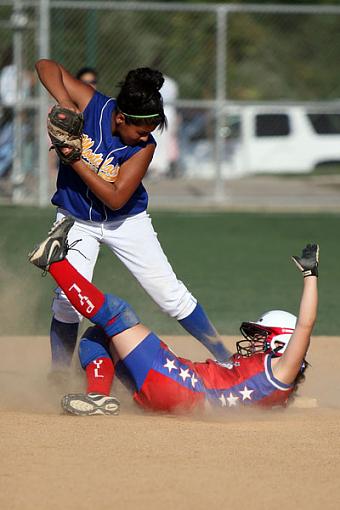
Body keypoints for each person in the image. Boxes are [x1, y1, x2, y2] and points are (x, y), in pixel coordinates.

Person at [35, 59, 230, 377]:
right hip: (75, 219)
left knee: (170, 295)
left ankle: (225, 358)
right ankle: (58, 375)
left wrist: (73, 157)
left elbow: (114, 196)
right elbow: (46, 66)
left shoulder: (144, 148)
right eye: (141, 131)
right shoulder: (93, 105)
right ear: (121, 117)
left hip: (125, 221)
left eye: (150, 132)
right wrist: (67, 103)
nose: (145, 137)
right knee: (67, 301)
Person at [28, 217, 319, 416]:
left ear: (283, 342)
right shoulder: (274, 388)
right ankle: (98, 397)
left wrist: (310, 276)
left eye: (262, 336)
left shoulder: (280, 369)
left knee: (116, 314)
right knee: (97, 336)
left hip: (181, 385)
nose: (255, 341)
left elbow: (305, 326)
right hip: (178, 390)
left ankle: (56, 263)